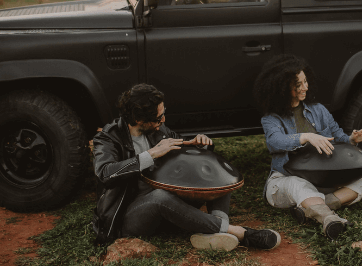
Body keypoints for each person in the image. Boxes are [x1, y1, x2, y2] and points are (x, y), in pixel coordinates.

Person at [92, 83, 280, 251]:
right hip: (129, 215)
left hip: (167, 205)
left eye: (163, 113)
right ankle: (241, 234)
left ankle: (216, 230)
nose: (163, 120)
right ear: (140, 120)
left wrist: (198, 145)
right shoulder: (108, 138)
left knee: (218, 174)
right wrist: (150, 155)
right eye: (158, 118)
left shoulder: (157, 129)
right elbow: (105, 173)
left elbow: (178, 149)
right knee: (160, 197)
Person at [255, 54, 362, 240]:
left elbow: (338, 136)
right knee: (299, 184)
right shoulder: (271, 118)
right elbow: (274, 142)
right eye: (298, 85)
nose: (305, 87)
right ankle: (329, 219)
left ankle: (314, 207)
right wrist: (306, 136)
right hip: (285, 181)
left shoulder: (318, 110)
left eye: (305, 81)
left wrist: (352, 139)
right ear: (283, 88)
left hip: (322, 181)